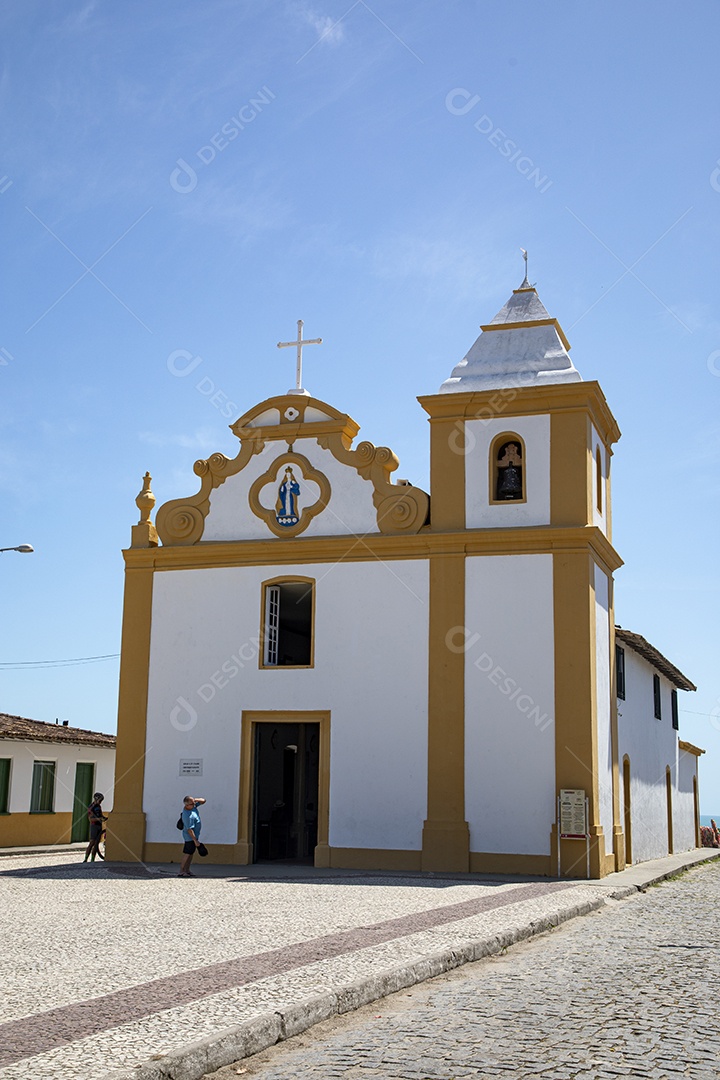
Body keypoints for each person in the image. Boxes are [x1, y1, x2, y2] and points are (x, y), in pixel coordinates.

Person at [179, 795, 206, 877]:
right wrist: (195, 840)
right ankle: (181, 870)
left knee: (191, 854)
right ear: (186, 805)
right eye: (192, 804)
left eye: (194, 803)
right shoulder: (186, 815)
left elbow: (203, 800)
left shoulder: (193, 807)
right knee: (187, 853)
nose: (194, 804)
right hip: (189, 837)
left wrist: (194, 800)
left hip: (195, 835)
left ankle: (187, 870)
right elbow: (189, 829)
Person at [83, 793, 107, 863]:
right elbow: (90, 819)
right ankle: (85, 859)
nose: (100, 802)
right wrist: (99, 819)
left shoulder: (99, 807)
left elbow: (101, 815)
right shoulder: (91, 807)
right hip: (94, 826)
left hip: (99, 826)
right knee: (92, 842)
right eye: (100, 800)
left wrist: (104, 818)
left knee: (96, 843)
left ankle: (92, 859)